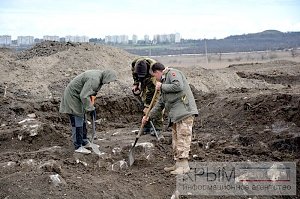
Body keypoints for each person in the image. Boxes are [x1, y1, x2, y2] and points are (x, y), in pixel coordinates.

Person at [142, 62, 198, 174]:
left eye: (155, 76)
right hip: (175, 115)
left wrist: (162, 86)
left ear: (157, 72)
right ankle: (178, 164)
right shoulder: (164, 83)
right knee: (176, 140)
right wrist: (148, 116)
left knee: (183, 138)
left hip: (184, 112)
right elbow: (160, 103)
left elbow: (179, 86)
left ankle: (184, 166)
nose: (155, 79)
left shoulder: (173, 73)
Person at [59, 69, 117, 154]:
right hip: (73, 97)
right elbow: (84, 95)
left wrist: (91, 105)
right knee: (77, 119)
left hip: (78, 97)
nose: (108, 83)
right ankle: (78, 146)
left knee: (83, 119)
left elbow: (91, 93)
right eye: (109, 81)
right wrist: (90, 108)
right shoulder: (95, 79)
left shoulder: (99, 78)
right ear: (106, 77)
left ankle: (84, 141)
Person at [131, 57, 164, 138]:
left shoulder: (153, 69)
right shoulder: (134, 64)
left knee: (156, 104)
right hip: (145, 80)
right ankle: (147, 126)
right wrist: (136, 83)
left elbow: (151, 92)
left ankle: (158, 128)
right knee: (144, 99)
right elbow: (134, 74)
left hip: (155, 84)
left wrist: (147, 106)